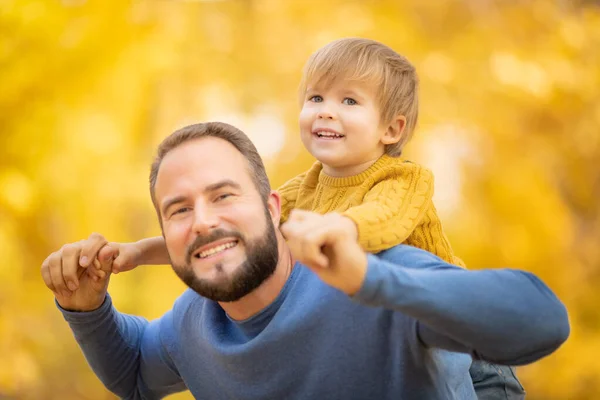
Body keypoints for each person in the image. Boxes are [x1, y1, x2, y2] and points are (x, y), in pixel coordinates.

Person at [84, 38, 524, 397]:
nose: (326, 110)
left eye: (349, 100)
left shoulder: (404, 180)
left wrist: (333, 230)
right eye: (316, 97)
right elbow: (234, 232)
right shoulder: (305, 188)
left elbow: (381, 222)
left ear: (391, 129)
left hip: (467, 352)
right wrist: (139, 253)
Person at [42, 122, 569, 400]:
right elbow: (133, 373)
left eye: (224, 196)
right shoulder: (189, 329)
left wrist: (376, 282)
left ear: (274, 210)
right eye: (179, 210)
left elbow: (544, 323)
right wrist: (87, 309)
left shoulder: (371, 276)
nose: (201, 221)